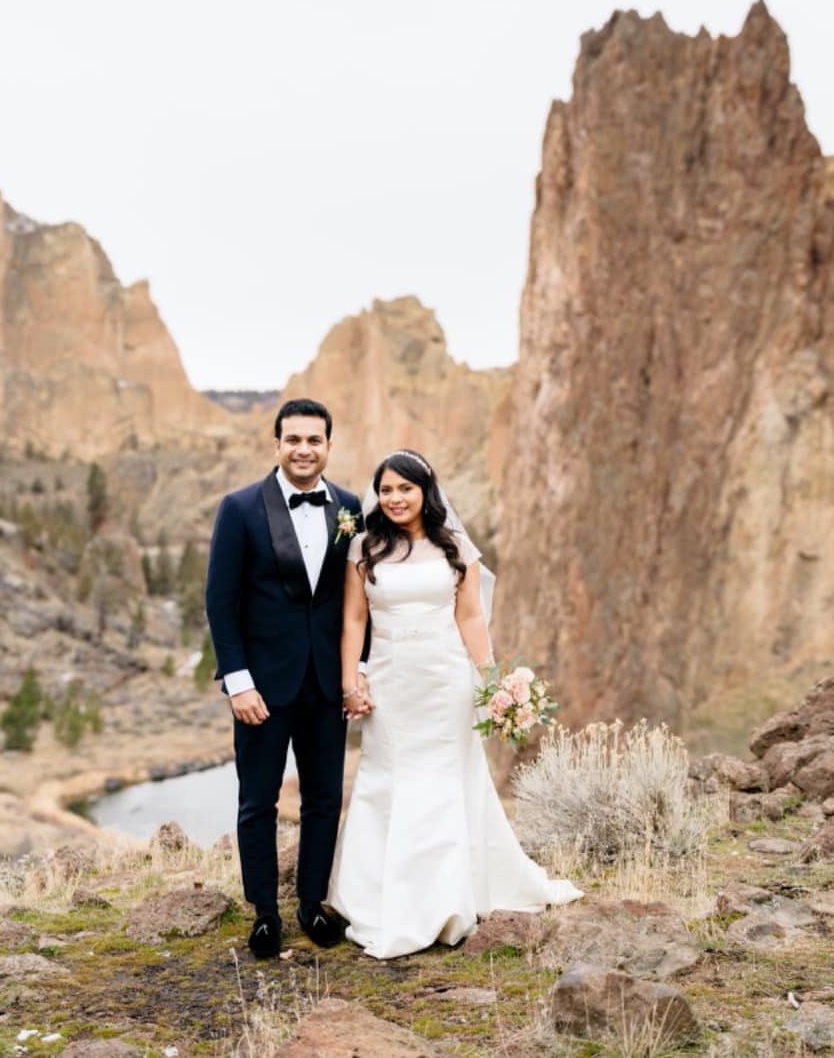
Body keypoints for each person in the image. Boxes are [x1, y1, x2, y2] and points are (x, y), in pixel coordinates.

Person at [326, 449, 581, 959]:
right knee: (389, 777)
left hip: (446, 682)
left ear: (426, 492)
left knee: (447, 779)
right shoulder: (364, 547)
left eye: (405, 489)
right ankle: (384, 898)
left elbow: (470, 620)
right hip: (392, 683)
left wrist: (493, 683)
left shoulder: (455, 547)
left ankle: (448, 898)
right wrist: (350, 680)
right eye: (386, 490)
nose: (395, 498)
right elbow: (354, 620)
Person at [204, 398, 366, 959]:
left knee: (324, 800)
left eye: (314, 440)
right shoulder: (241, 507)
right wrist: (238, 681)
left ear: (328, 446)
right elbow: (219, 603)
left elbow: (356, 603)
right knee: (258, 802)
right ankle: (266, 914)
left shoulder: (348, 508)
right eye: (293, 439)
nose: (303, 449)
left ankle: (311, 906)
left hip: (326, 687)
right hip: (262, 691)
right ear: (276, 445)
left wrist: (356, 672)